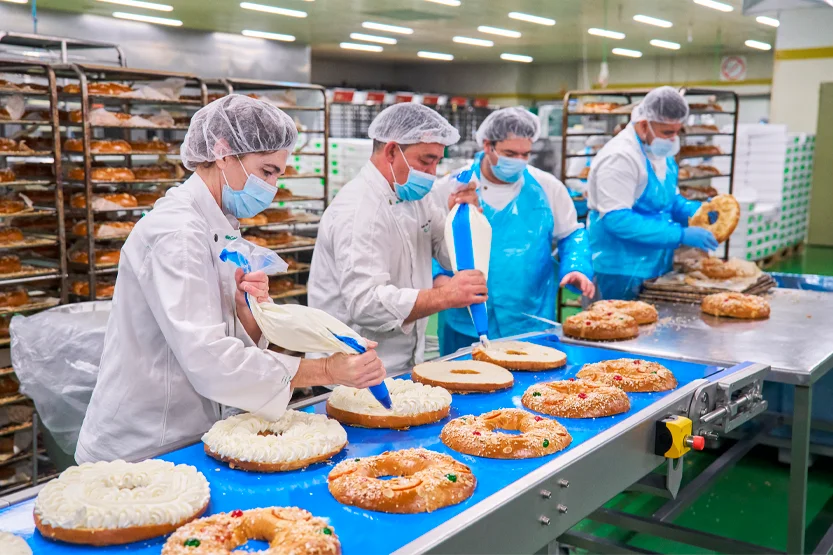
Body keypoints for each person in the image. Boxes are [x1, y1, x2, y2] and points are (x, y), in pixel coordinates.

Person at [76, 95, 385, 464]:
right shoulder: (178, 233)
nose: (271, 187)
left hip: (192, 431)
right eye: (266, 171)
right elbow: (210, 359)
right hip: (144, 443)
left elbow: (220, 338)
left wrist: (249, 317)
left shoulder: (219, 224)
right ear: (223, 153)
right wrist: (325, 370)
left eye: (278, 175)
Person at [308, 103, 484, 375]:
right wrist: (445, 296)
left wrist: (463, 220)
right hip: (352, 374)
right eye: (425, 160)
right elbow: (366, 304)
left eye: (437, 161)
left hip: (403, 365)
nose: (432, 173)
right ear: (391, 151)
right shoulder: (359, 211)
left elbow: (450, 257)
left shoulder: (415, 197)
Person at [431, 107, 594, 356]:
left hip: (529, 318)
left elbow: (571, 235)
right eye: (510, 154)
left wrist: (576, 267)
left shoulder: (547, 187)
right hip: (466, 320)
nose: (518, 161)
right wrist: (439, 281)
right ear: (488, 145)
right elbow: (428, 243)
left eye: (525, 154)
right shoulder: (452, 188)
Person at [586, 86, 718, 301]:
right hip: (619, 270)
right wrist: (681, 235)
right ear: (644, 124)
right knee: (616, 320)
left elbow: (670, 201)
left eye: (677, 132)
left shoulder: (660, 153)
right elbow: (617, 219)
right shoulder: (620, 157)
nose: (673, 139)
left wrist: (699, 212)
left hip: (656, 265)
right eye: (667, 132)